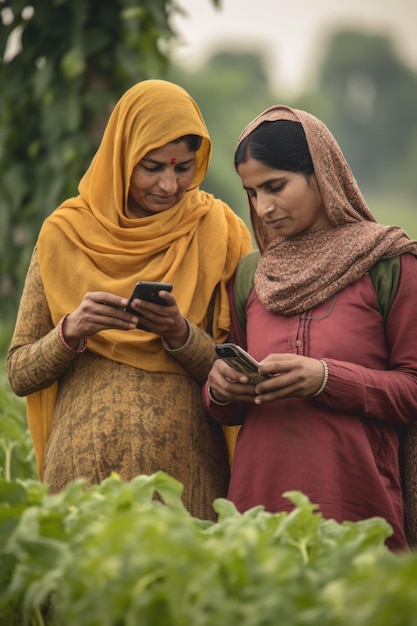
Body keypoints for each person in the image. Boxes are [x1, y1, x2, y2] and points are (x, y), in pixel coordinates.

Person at [6, 79, 252, 521]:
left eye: (183, 168)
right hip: (82, 480)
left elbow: (237, 374)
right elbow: (19, 373)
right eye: (152, 167)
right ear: (121, 157)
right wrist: (71, 331)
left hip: (186, 484)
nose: (169, 185)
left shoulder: (218, 230)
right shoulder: (64, 233)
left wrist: (179, 333)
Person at [203, 104, 417, 550]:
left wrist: (325, 378)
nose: (263, 208)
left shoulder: (390, 264)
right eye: (252, 193)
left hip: (357, 506)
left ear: (321, 173)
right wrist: (221, 388)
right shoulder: (252, 276)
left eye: (275, 186)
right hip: (257, 509)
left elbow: (412, 390)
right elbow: (229, 410)